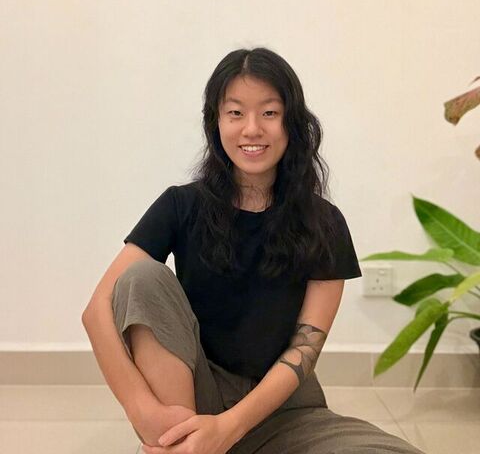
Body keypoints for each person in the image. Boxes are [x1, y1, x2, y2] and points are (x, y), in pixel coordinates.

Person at [82, 47, 424, 454]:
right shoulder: (180, 205)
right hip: (195, 400)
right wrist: (141, 408)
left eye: (269, 112)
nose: (251, 129)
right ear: (216, 122)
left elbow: (304, 351)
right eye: (235, 113)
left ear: (292, 122)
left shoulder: (325, 222)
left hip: (284, 412)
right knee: (141, 277)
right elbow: (97, 309)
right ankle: (184, 446)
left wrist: (227, 429)